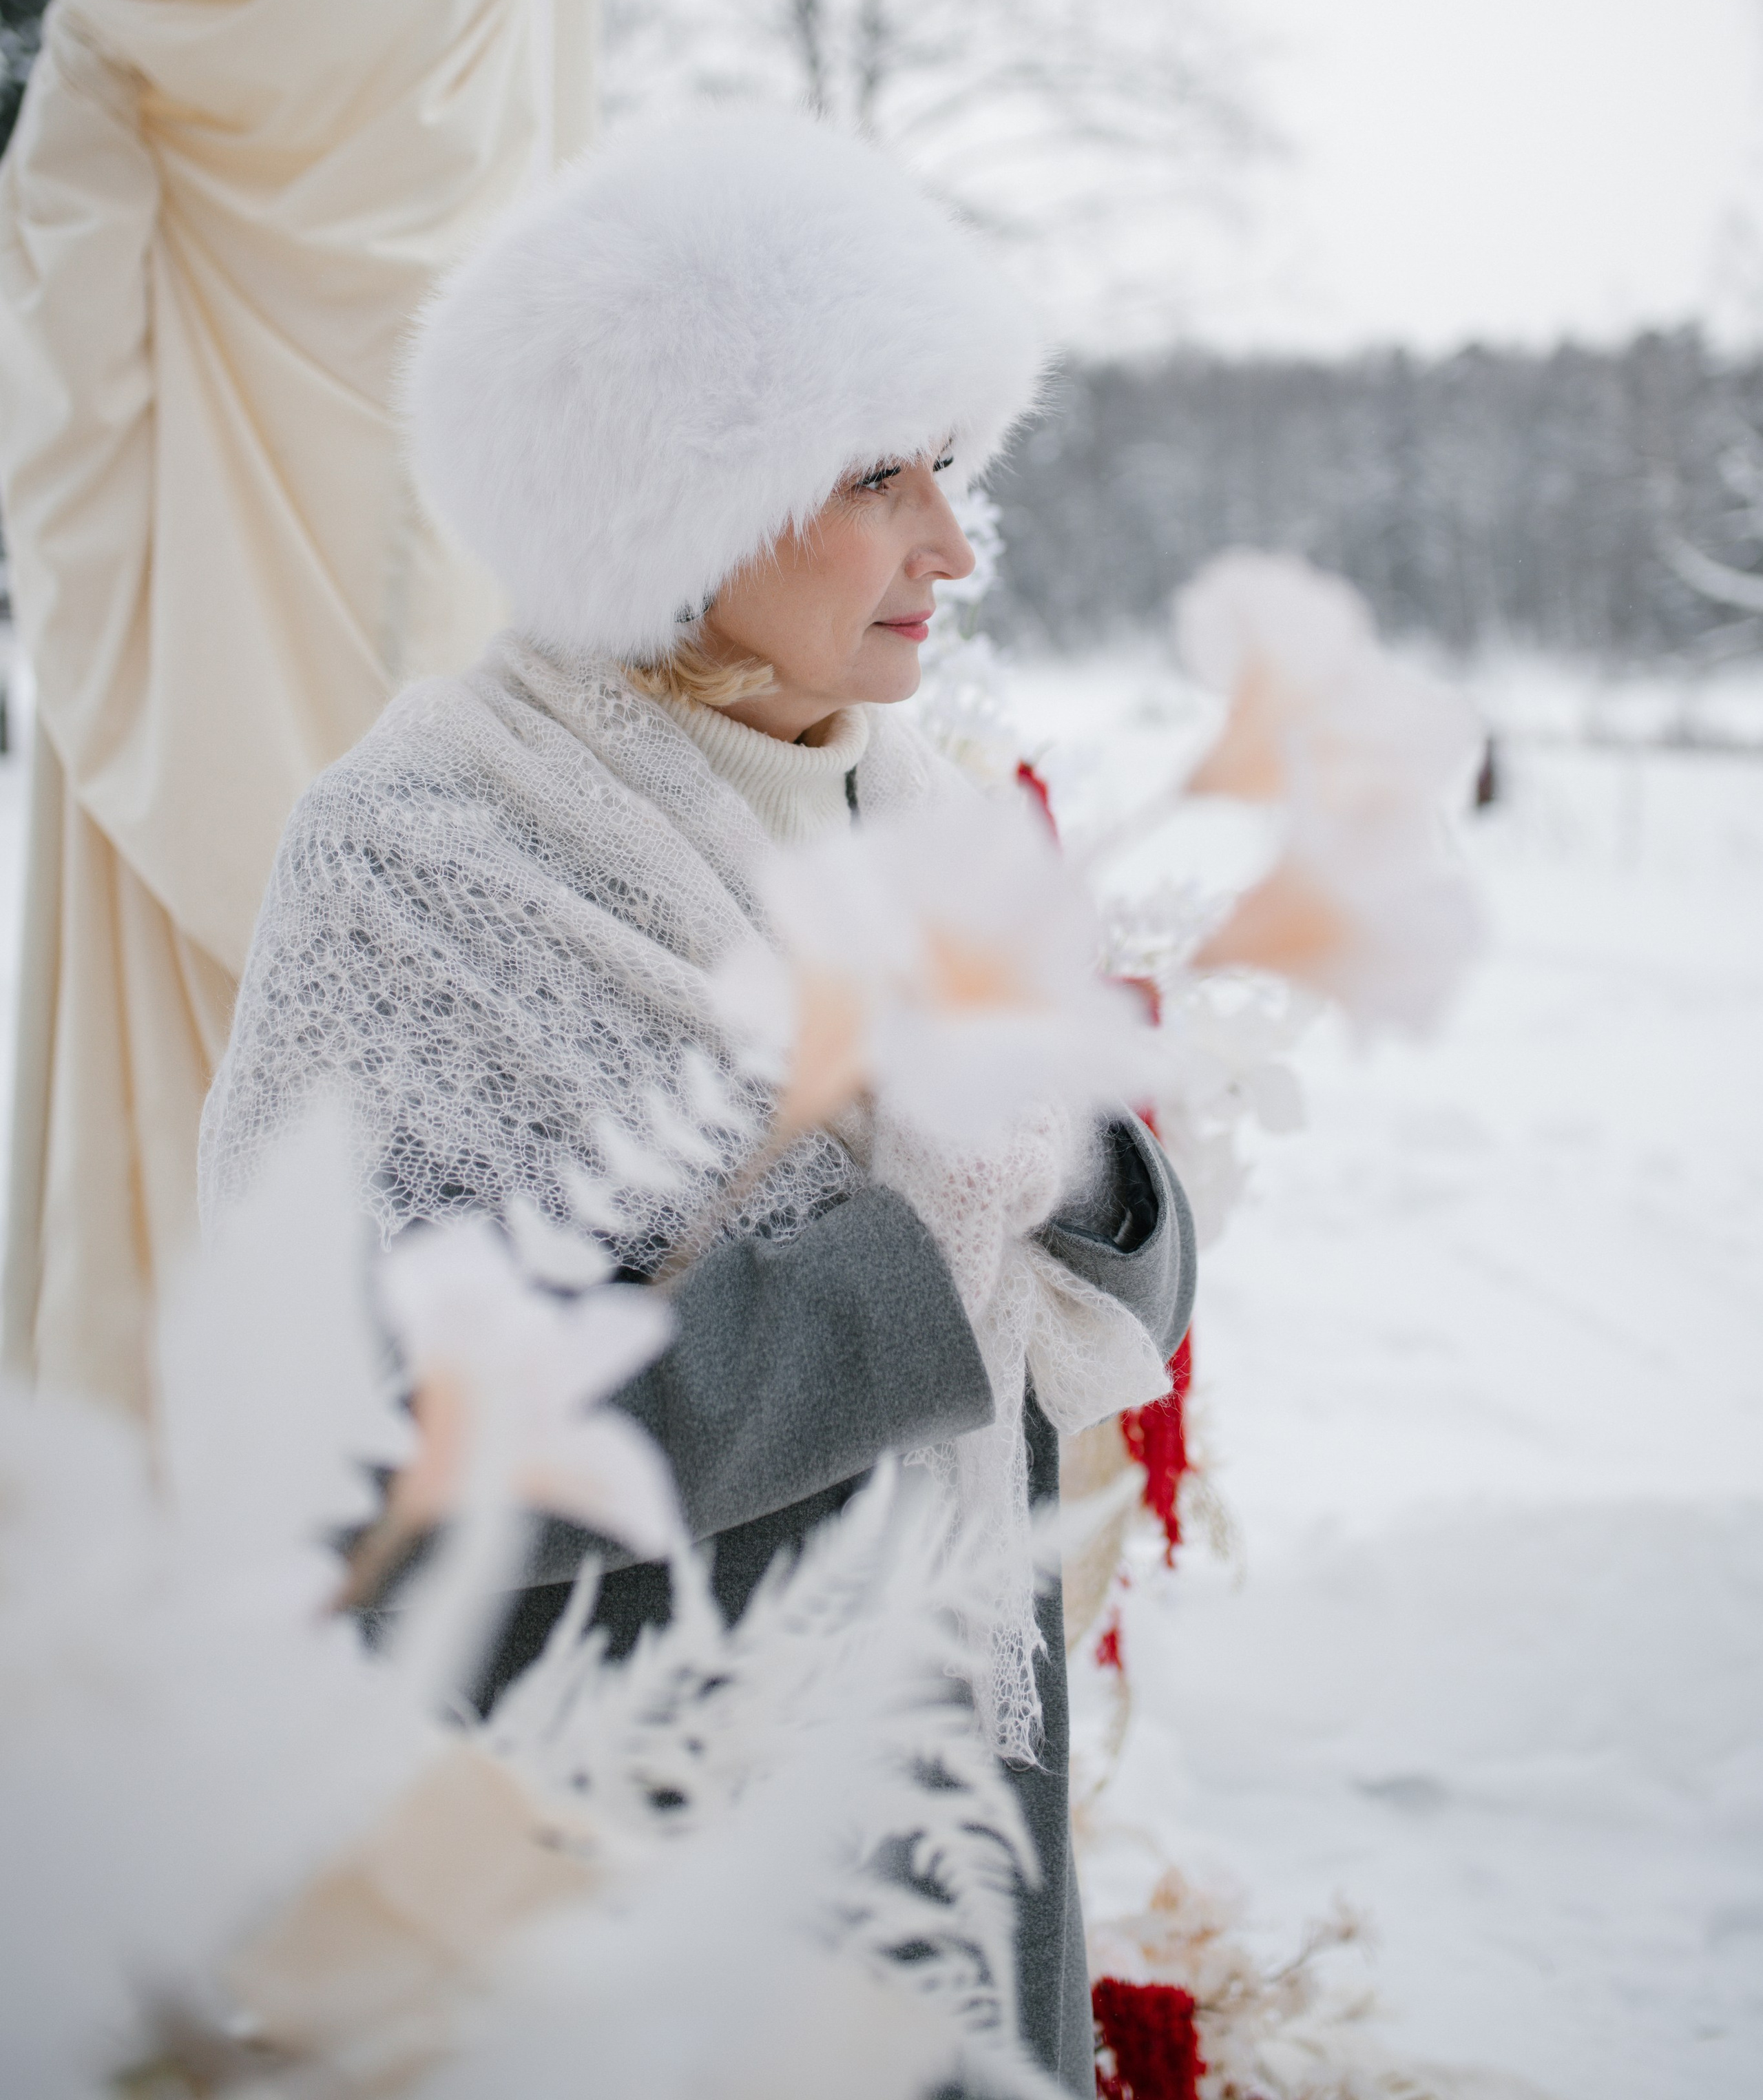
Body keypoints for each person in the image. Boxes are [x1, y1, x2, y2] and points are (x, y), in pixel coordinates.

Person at [200, 110, 1195, 2094]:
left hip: (940, 1806)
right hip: (616, 1856)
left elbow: (1092, 1295)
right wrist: (921, 1248)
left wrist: (1073, 1155)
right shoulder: (427, 866)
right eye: (874, 473)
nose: (953, 544)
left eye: (954, 466)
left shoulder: (915, 818)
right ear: (674, 504)